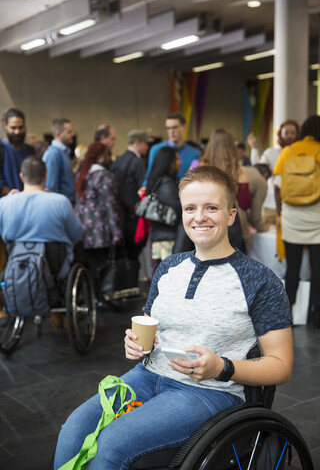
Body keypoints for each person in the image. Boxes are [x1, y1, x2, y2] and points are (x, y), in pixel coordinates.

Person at [53, 165, 293, 470]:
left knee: (111, 445)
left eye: (211, 208)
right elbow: (149, 328)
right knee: (74, 429)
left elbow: (281, 366)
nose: (199, 217)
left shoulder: (259, 279)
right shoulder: (168, 268)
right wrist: (138, 344)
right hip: (147, 375)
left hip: (209, 392)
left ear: (231, 215)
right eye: (190, 208)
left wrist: (221, 367)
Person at [0, 155, 83, 326]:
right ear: (46, 176)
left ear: (21, 177)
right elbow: (77, 234)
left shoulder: (4, 204)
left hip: (16, 267)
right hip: (56, 270)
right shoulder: (60, 201)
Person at [273, 115, 320, 328]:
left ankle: (288, 313)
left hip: (292, 218)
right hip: (317, 219)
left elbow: (276, 184)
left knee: (293, 268)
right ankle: (316, 315)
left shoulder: (287, 151)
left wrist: (280, 212)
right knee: (318, 269)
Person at [74, 142, 123, 300]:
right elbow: (111, 206)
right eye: (108, 155)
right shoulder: (104, 176)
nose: (110, 158)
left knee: (90, 267)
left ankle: (92, 299)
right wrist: (117, 233)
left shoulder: (82, 175)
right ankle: (102, 299)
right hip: (100, 232)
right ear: (101, 157)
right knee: (102, 267)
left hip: (82, 230)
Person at [200, 128, 252, 251]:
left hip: (205, 220)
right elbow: (245, 204)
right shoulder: (238, 170)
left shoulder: (200, 167)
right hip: (230, 222)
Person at [110, 130, 149, 262]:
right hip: (133, 217)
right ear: (137, 143)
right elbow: (141, 189)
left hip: (119, 215)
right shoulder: (137, 162)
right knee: (133, 258)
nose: (147, 147)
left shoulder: (118, 161)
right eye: (145, 143)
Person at [146, 146, 181, 275]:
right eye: (176, 159)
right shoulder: (167, 185)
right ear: (169, 162)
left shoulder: (159, 181)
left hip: (160, 237)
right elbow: (179, 210)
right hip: (167, 239)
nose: (180, 162)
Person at [141, 112, 199, 188]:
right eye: (168, 128)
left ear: (184, 127)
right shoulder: (157, 149)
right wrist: (144, 186)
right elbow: (150, 173)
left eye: (175, 127)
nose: (171, 131)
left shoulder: (194, 153)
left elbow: (195, 178)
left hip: (184, 193)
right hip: (163, 193)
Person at [259, 120, 299, 224]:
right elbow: (260, 171)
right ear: (280, 134)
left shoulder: (302, 155)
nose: (289, 136)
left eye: (292, 133)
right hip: (272, 205)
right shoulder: (270, 153)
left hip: (296, 206)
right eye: (286, 133)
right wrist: (269, 172)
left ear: (297, 134)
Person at [0, 107, 35, 196]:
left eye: (20, 127)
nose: (17, 132)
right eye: (13, 128)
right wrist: (16, 197)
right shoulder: (1, 149)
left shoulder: (30, 151)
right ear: (4, 126)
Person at [42, 118, 75, 199]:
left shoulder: (63, 152)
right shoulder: (53, 153)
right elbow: (50, 186)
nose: (73, 134)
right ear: (58, 133)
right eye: (69, 132)